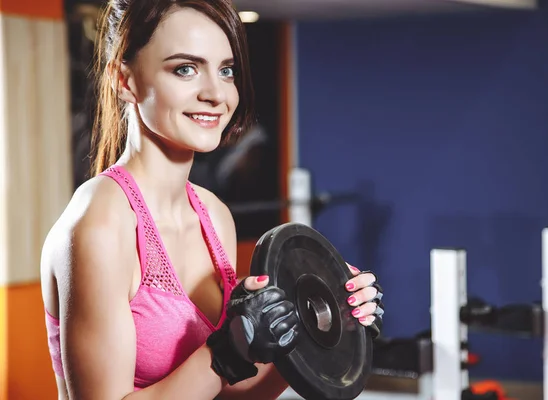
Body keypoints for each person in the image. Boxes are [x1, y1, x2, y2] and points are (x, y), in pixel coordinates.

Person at [40, 1, 385, 399]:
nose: (216, 93)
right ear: (124, 80)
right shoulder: (100, 224)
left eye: (226, 70)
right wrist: (226, 352)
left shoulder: (213, 216)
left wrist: (311, 330)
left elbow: (227, 393)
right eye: (185, 69)